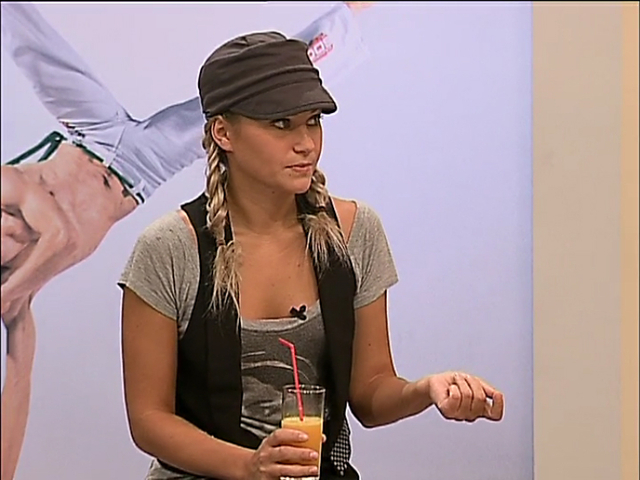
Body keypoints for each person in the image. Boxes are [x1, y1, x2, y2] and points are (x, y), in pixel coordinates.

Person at [0, 3, 373, 479]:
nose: (10, 232)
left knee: (30, 41)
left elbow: (49, 224)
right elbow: (18, 387)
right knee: (260, 94)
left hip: (91, 133)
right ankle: (344, 20)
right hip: (137, 164)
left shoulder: (16, 219)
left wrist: (11, 292)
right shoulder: (22, 294)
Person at [119, 30, 505, 480]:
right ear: (223, 132)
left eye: (313, 121)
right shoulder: (169, 249)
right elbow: (149, 420)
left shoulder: (355, 232)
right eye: (281, 124)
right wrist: (249, 466)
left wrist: (426, 390)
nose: (306, 143)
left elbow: (371, 392)